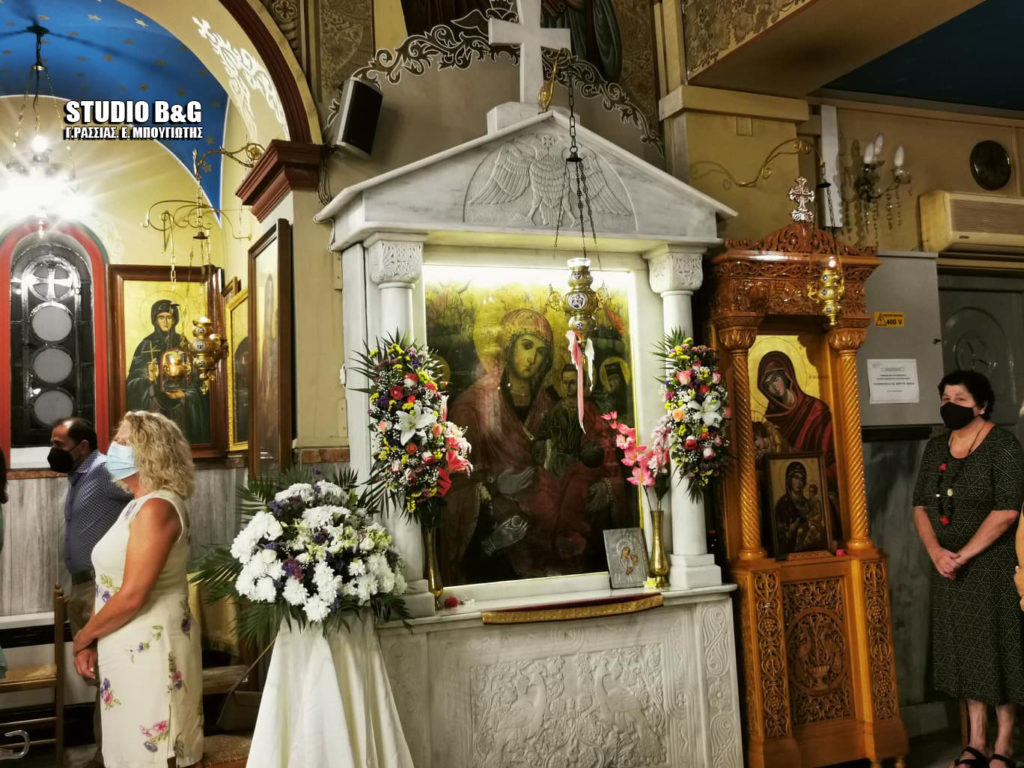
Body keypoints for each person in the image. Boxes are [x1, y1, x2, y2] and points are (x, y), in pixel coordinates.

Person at [71, 410, 203, 768]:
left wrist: (83, 636)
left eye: (123, 442)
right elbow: (108, 584)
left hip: (152, 651)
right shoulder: (135, 505)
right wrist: (94, 640)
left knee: (154, 754)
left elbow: (131, 595)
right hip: (126, 648)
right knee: (128, 753)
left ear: (150, 451)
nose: (113, 448)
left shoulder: (158, 507)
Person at [912, 370, 1024, 768]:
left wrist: (964, 554)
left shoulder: (1002, 444)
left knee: (998, 649)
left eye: (960, 399)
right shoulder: (935, 448)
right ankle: (976, 741)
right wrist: (937, 553)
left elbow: (1008, 509)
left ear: (982, 404)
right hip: (948, 568)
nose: (950, 405)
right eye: (945, 398)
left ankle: (1005, 742)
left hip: (993, 565)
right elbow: (921, 506)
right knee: (966, 653)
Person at [51, 417, 132, 768]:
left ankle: (109, 757)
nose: (53, 452)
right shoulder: (77, 475)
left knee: (109, 674)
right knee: (98, 676)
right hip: (83, 586)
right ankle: (107, 754)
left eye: (59, 445)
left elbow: (143, 497)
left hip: (103, 587)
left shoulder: (102, 470)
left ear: (82, 446)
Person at [126, 299, 210, 445]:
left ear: (174, 320)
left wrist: (185, 393)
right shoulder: (146, 345)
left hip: (181, 406)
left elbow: (197, 379)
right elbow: (132, 382)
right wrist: (148, 379)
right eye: (161, 317)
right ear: (155, 320)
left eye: (169, 317)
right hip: (154, 406)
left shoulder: (183, 343)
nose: (165, 322)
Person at [756, 351, 835, 476]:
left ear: (786, 376)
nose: (774, 386)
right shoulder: (771, 419)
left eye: (775, 379)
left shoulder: (816, 408)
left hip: (817, 473)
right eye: (768, 384)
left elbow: (828, 450)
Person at [773, 461, 826, 555]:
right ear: (789, 479)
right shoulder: (782, 505)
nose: (799, 483)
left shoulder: (807, 503)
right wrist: (791, 530)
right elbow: (779, 534)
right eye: (796, 478)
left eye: (802, 479)